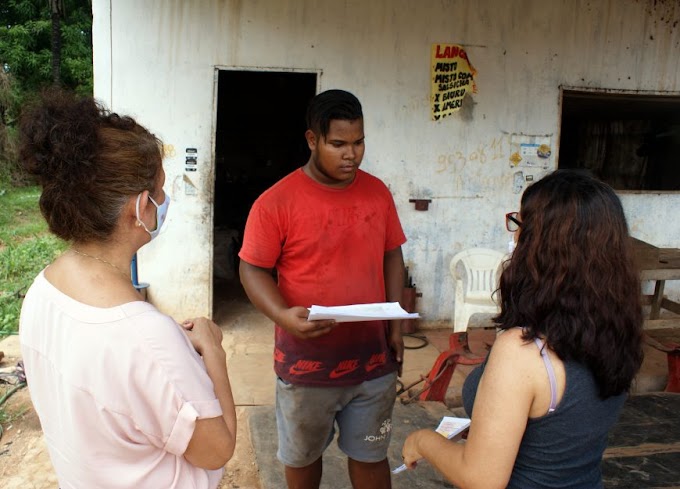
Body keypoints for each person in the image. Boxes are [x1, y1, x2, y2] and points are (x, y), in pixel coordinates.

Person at [18, 89, 237, 489]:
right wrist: (214, 352)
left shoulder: (44, 287)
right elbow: (217, 449)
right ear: (139, 209)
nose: (165, 201)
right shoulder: (147, 339)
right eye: (160, 191)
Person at [402, 170, 644, 489]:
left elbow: (482, 480)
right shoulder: (619, 332)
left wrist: (422, 441)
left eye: (520, 225)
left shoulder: (523, 352)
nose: (514, 237)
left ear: (539, 246)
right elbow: (562, 427)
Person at [239, 89, 406, 489]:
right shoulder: (276, 203)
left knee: (371, 455)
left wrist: (395, 323)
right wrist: (281, 316)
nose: (352, 154)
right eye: (338, 144)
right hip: (307, 364)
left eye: (359, 142)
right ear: (312, 140)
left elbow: (392, 256)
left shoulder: (377, 192)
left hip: (371, 360)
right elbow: (252, 269)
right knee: (302, 459)